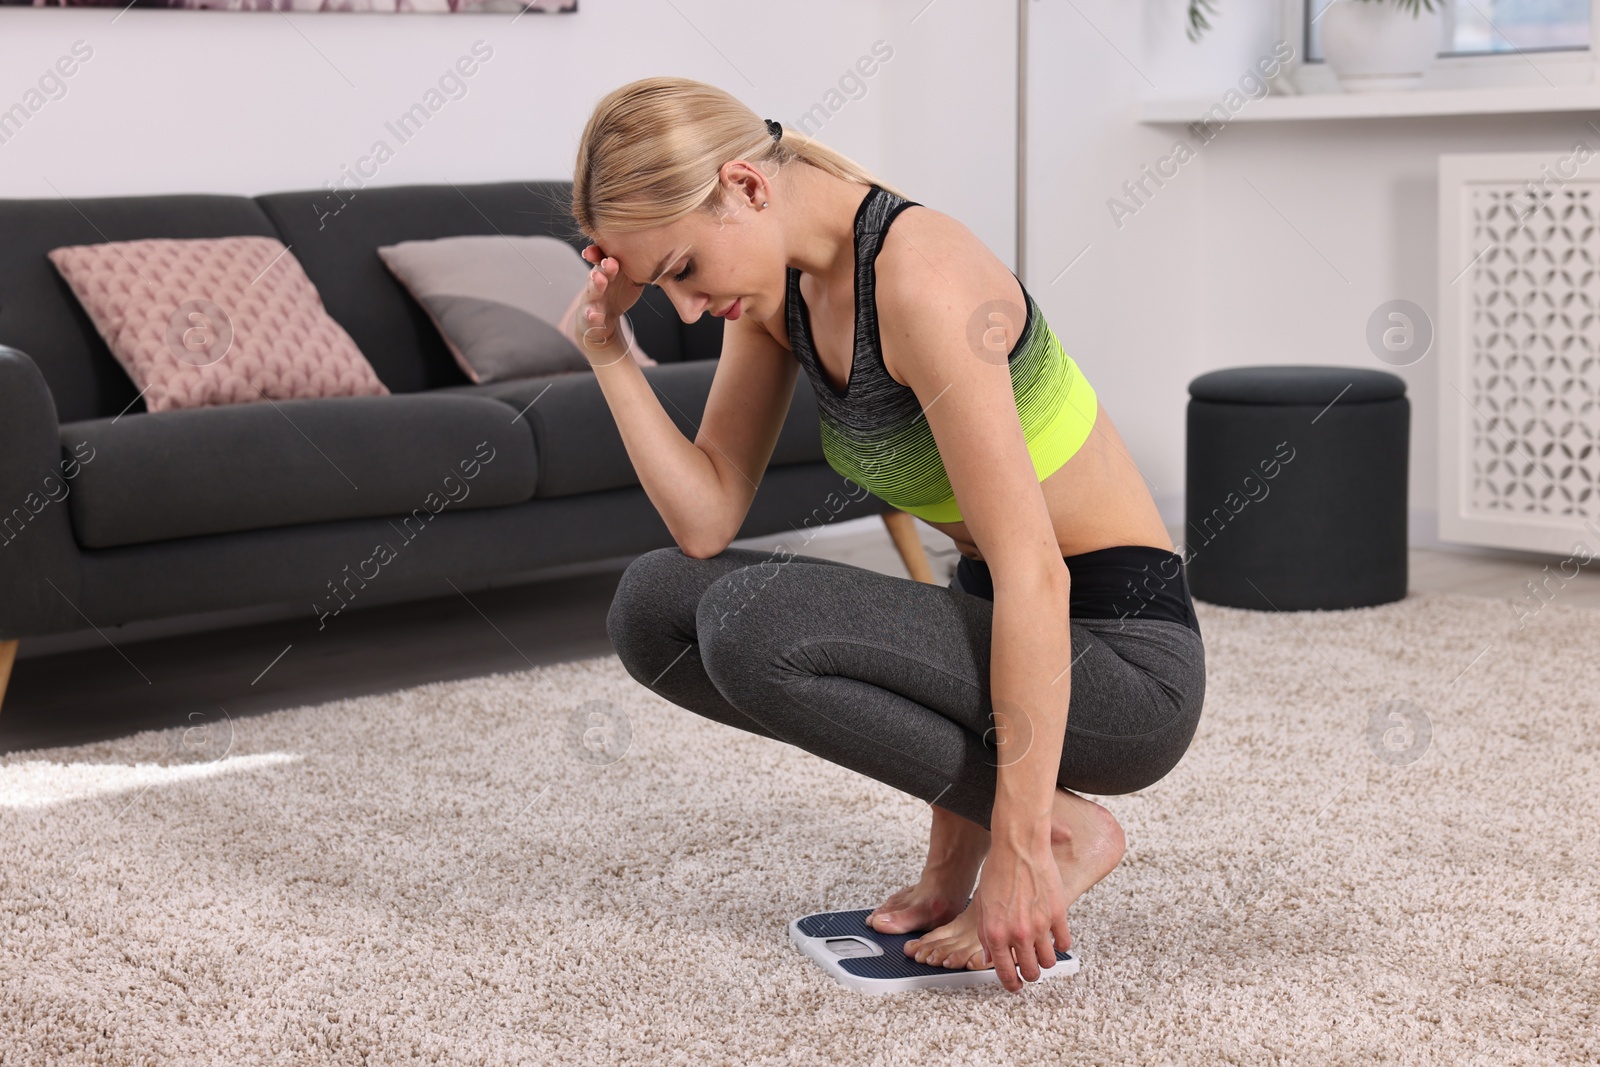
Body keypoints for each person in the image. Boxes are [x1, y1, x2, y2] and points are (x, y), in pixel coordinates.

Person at [569, 76, 1206, 994]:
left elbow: (1034, 573)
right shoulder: (783, 291)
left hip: (1121, 664)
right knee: (653, 606)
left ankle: (1065, 828)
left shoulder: (922, 279)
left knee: (754, 623)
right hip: (1002, 622)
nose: (685, 308)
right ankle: (981, 836)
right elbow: (704, 520)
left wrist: (1016, 845)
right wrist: (608, 355)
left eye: (679, 271)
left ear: (745, 187)